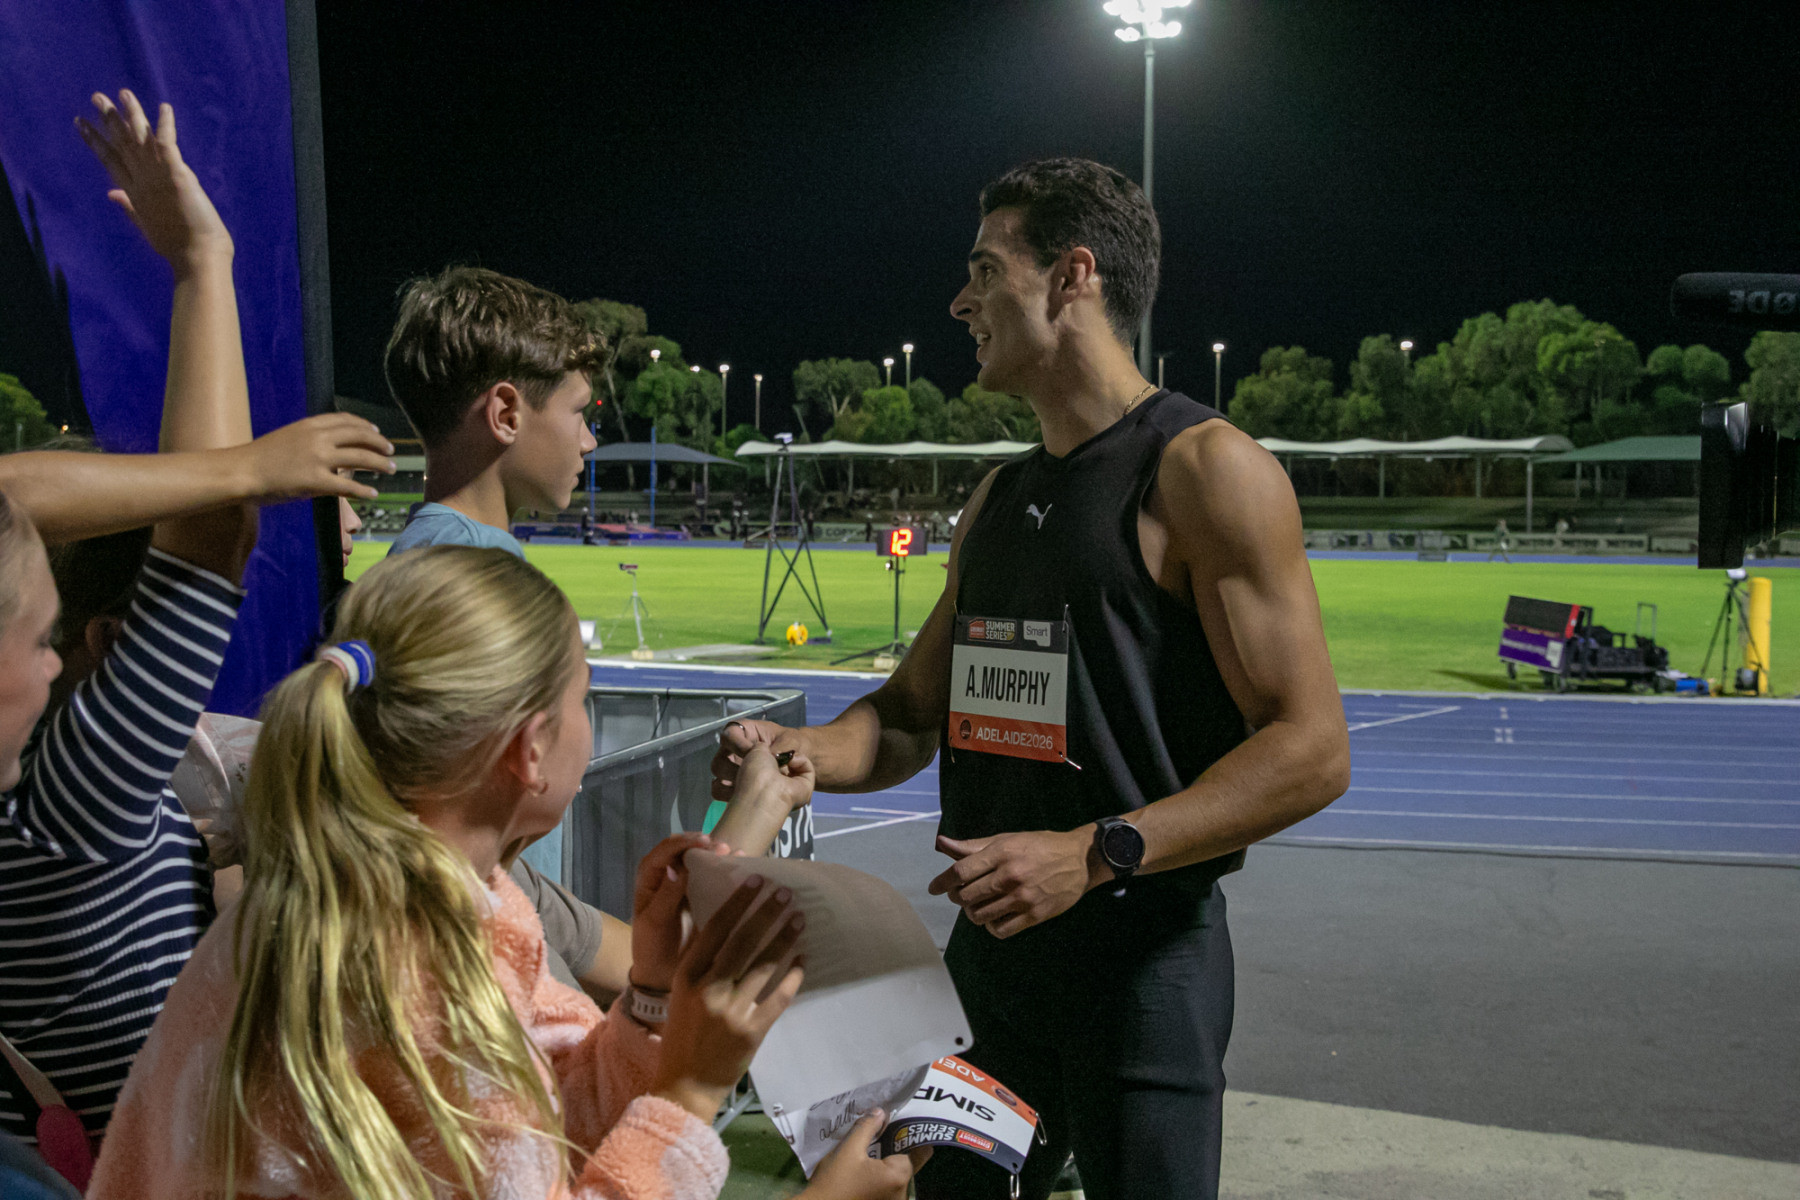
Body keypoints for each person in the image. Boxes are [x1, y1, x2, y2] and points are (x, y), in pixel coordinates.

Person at [712, 157, 1350, 1200]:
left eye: (984, 271)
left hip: (1143, 970)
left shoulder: (1204, 469)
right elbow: (910, 714)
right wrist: (798, 753)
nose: (960, 302)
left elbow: (1311, 750)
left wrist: (1094, 854)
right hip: (992, 973)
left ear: (1072, 276)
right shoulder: (998, 499)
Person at [85, 546, 923, 1200]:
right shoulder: (404, 973)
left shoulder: (423, 901)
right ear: (529, 749)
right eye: (582, 697)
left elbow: (538, 1123)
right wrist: (694, 1094)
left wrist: (652, 997)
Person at [0, 89, 391, 1148]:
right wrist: (205, 274)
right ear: (103, 642)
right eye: (35, 640)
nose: (50, 667)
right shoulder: (67, 799)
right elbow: (207, 543)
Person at [379, 265, 812, 995]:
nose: (588, 440)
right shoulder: (469, 580)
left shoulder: (438, 555)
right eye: (580, 413)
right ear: (506, 413)